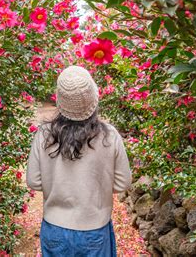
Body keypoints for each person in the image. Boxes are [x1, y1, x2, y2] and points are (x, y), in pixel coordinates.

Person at [26, 65, 132, 256]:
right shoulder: (109, 135)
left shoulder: (43, 135)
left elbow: (33, 181)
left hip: (55, 227)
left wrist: (56, 183)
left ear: (60, 100)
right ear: (93, 98)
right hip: (94, 229)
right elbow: (123, 182)